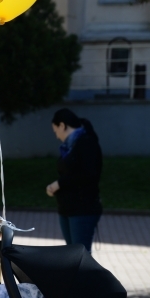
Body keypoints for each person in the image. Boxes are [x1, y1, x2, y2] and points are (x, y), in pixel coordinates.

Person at [46, 108, 102, 252]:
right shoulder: (70, 146)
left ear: (62, 126)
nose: (57, 136)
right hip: (67, 208)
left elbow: (88, 175)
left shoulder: (86, 143)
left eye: (55, 131)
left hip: (83, 209)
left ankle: (88, 276)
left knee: (80, 257)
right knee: (72, 255)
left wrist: (59, 184)